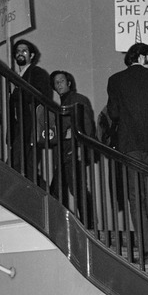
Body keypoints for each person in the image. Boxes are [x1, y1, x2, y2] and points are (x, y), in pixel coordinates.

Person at [107, 43, 148, 257]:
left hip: (129, 142)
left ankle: (147, 245)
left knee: (135, 195)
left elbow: (113, 112)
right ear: (140, 57)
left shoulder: (115, 80)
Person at [49, 70, 96, 218]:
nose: (59, 84)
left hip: (73, 151)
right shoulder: (64, 102)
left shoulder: (77, 99)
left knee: (75, 189)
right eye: (56, 82)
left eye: (61, 81)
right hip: (66, 152)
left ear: (69, 83)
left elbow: (86, 125)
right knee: (64, 189)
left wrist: (82, 147)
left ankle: (88, 224)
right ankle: (86, 223)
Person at [9, 39, 53, 184]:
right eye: (18, 51)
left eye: (24, 51)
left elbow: (42, 97)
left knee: (19, 164)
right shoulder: (17, 76)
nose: (20, 54)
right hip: (20, 126)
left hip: (30, 126)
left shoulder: (37, 73)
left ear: (32, 55)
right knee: (25, 166)